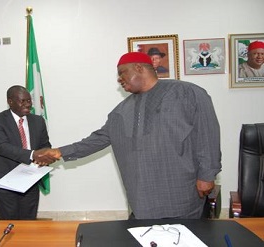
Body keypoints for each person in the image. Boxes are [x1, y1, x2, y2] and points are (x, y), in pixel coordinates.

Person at [42, 52, 222, 220]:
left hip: (181, 192)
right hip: (142, 198)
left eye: (122, 73)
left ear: (139, 68)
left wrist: (207, 175)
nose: (119, 79)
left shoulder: (187, 93)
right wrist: (58, 152)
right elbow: (98, 139)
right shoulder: (121, 111)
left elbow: (208, 134)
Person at [0, 85, 57, 220]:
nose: (28, 104)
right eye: (23, 101)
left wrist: (47, 156)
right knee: (9, 221)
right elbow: (1, 147)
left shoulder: (38, 121)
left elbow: (45, 145)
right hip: (5, 179)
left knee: (29, 221)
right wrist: (33, 155)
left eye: (29, 100)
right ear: (10, 102)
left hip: (30, 179)